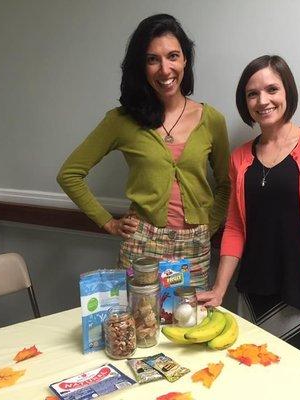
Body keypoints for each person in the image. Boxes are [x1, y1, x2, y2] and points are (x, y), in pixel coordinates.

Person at [197, 55, 300, 366]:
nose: (262, 100)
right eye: (252, 94)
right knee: (253, 381)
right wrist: (218, 289)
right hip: (253, 290)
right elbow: (235, 227)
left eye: (272, 89)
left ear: (287, 93)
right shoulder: (240, 158)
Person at [57, 14, 230, 290]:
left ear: (186, 59)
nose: (165, 69)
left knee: (189, 327)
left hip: (195, 248)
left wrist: (209, 227)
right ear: (142, 65)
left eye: (173, 56)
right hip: (142, 244)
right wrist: (108, 223)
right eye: (153, 59)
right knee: (140, 327)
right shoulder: (122, 120)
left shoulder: (212, 120)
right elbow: (69, 174)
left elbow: (225, 184)